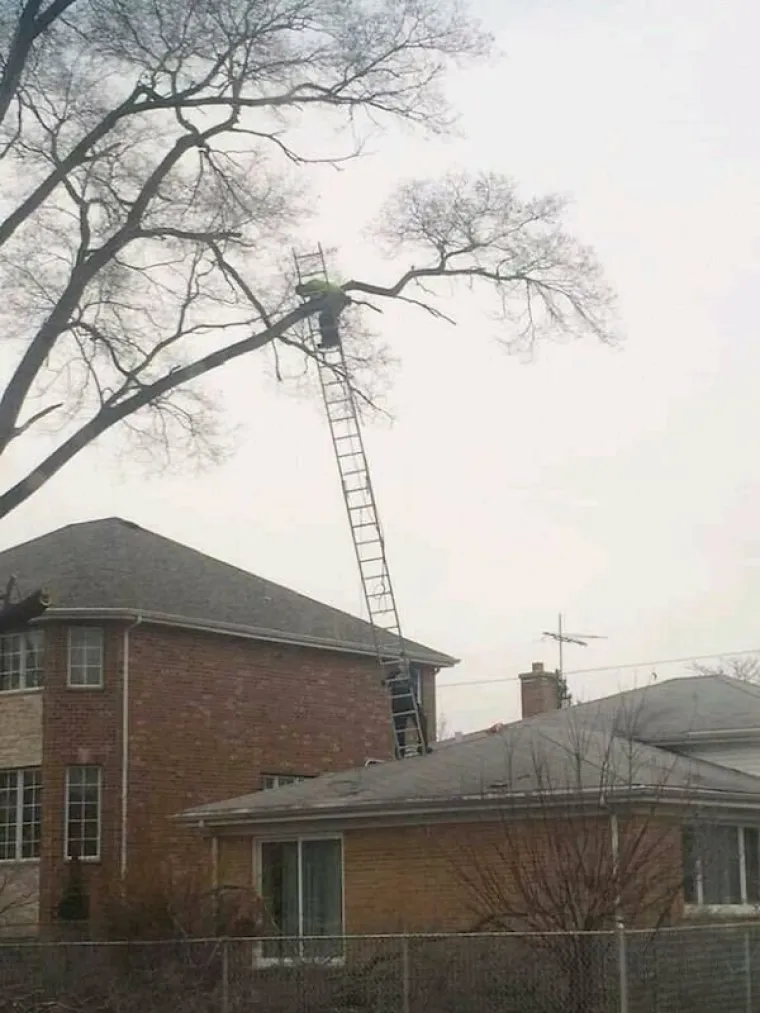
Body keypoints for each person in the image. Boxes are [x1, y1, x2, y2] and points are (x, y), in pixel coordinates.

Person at [295, 278, 351, 349]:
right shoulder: (312, 291)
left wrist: (305, 307)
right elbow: (315, 301)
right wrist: (305, 307)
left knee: (326, 318)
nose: (304, 295)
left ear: (302, 288)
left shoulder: (311, 286)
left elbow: (317, 301)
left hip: (336, 298)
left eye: (302, 293)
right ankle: (330, 341)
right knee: (327, 319)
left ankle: (331, 341)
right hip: (336, 299)